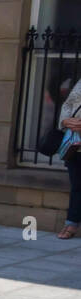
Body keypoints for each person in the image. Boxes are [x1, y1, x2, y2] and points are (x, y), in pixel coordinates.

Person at [58, 79, 81, 239]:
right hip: (75, 144)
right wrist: (65, 121)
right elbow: (68, 104)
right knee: (77, 186)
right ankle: (71, 223)